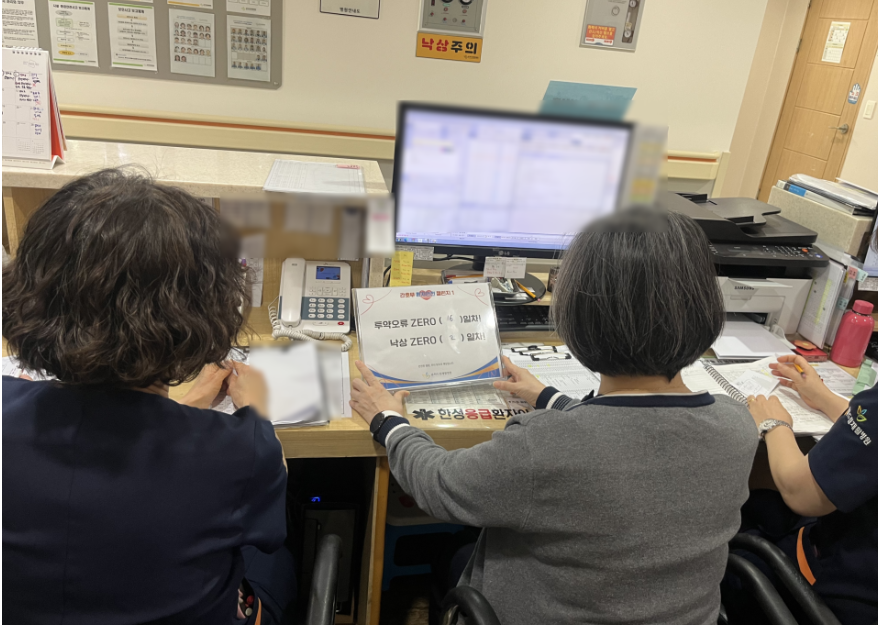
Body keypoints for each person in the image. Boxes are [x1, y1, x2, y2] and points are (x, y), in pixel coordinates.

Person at [350, 208, 758, 625]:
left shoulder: (541, 446)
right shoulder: (737, 425)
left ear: (577, 316)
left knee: (453, 556)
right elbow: (633, 439)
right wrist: (549, 397)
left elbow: (440, 485)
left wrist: (389, 422)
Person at [2, 169, 295, 625]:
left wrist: (182, 411)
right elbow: (265, 497)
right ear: (203, 315)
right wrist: (256, 411)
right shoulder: (240, 450)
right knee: (273, 558)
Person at [743, 355, 877, 625]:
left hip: (841, 587)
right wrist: (823, 397)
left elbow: (800, 493)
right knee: (762, 502)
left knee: (739, 516)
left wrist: (773, 424)